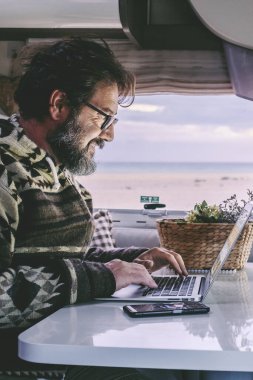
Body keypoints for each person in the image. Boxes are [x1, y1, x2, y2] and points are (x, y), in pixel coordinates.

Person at [0, 37, 251, 380]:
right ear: (59, 105)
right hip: (26, 365)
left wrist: (132, 258)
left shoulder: (53, 170)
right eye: (104, 117)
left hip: (65, 346)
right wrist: (105, 276)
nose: (110, 135)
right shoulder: (6, 171)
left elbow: (58, 259)